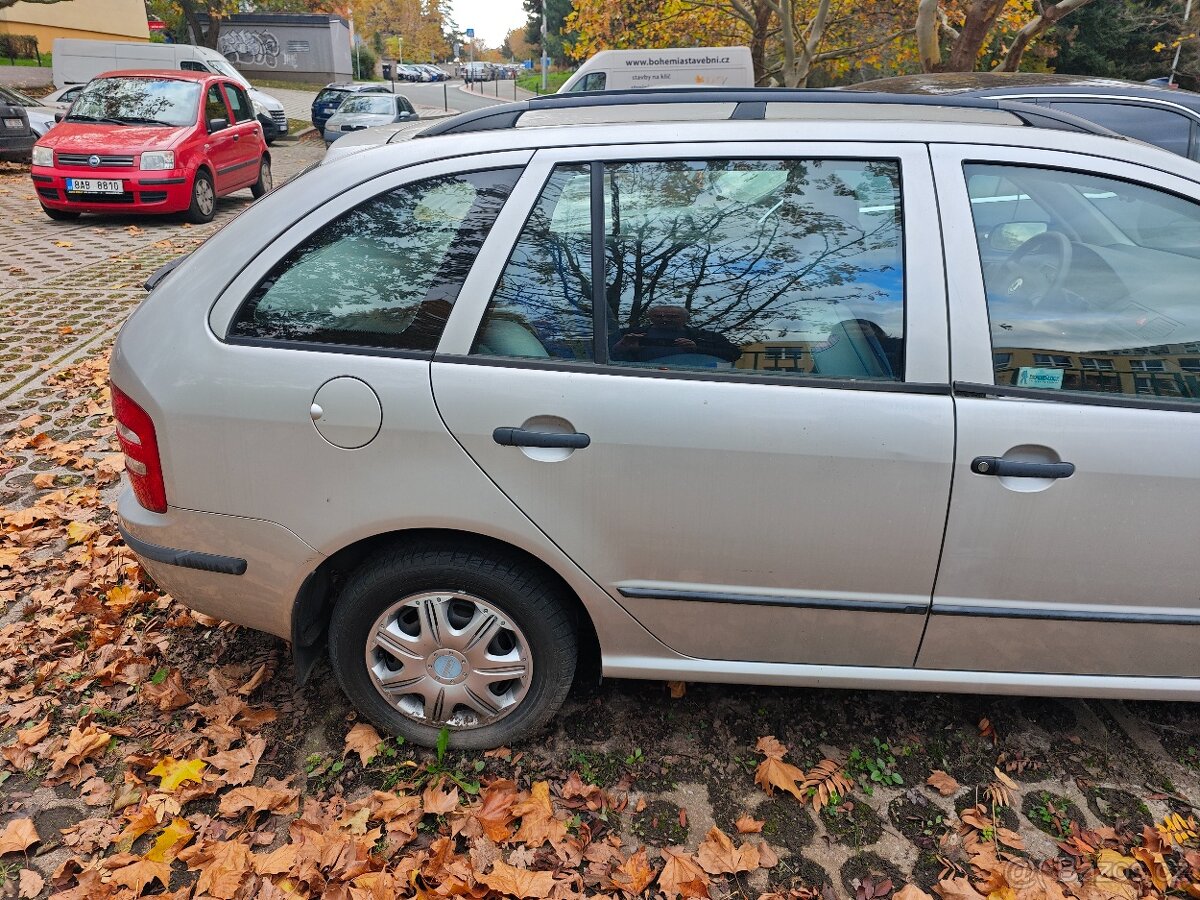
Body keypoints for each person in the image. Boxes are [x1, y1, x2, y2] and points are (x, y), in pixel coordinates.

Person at [610, 304, 741, 364]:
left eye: (672, 317)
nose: (665, 319)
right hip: (639, 379)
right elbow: (599, 356)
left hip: (695, 379)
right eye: (658, 316)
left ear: (685, 319)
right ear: (650, 318)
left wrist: (698, 349)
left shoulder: (706, 337)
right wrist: (620, 348)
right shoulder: (629, 335)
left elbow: (733, 354)